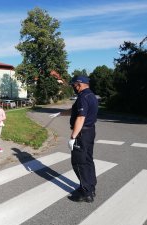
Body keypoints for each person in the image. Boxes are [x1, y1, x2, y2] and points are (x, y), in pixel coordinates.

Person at [67, 75, 98, 203]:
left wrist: (73, 136)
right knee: (88, 160)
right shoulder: (91, 95)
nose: (73, 87)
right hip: (90, 131)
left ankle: (86, 193)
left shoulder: (82, 97)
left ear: (79, 84)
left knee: (79, 162)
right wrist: (60, 113)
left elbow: (81, 117)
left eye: (74, 85)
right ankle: (90, 186)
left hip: (82, 134)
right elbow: (77, 111)